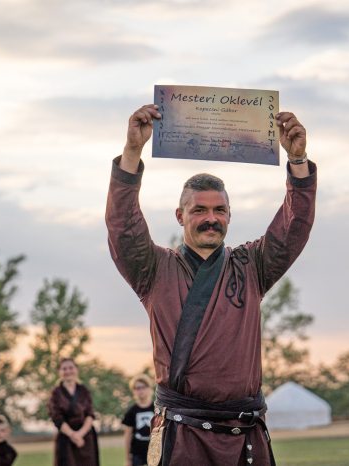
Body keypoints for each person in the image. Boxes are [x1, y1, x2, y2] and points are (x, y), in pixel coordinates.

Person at [105, 104, 316, 465]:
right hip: (184, 435)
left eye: (219, 211)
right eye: (199, 210)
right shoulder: (154, 269)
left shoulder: (251, 266)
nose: (210, 219)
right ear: (180, 215)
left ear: (230, 217)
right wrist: (132, 153)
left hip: (244, 435)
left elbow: (293, 229)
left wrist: (298, 162)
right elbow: (123, 226)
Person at [47, 358, 100, 466]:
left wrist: (80, 434)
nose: (68, 371)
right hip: (66, 438)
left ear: (76, 370)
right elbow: (56, 417)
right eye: (64, 369)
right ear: (59, 372)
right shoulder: (56, 393)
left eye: (71, 368)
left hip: (86, 438)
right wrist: (73, 435)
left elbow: (90, 414)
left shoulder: (84, 390)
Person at [122, 374, 155, 466]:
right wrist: (127, 459)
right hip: (137, 453)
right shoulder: (131, 411)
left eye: (143, 387)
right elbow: (127, 435)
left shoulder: (156, 409)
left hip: (155, 452)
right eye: (137, 388)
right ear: (133, 391)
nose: (140, 390)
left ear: (149, 388)